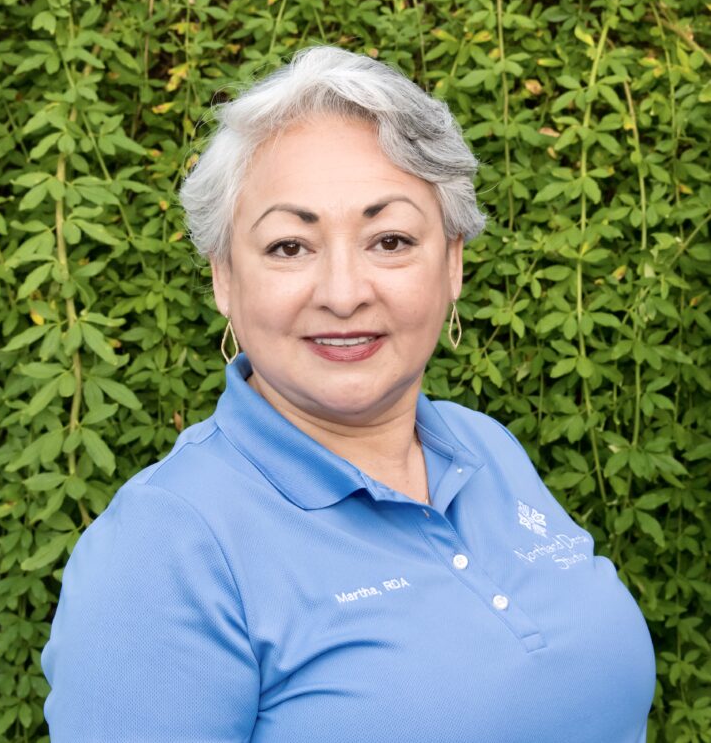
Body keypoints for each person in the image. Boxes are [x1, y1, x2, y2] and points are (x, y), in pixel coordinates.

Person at [42, 46, 655, 742]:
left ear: (452, 262)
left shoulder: (485, 447)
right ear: (223, 278)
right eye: (288, 247)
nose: (343, 293)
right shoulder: (166, 547)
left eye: (389, 239)